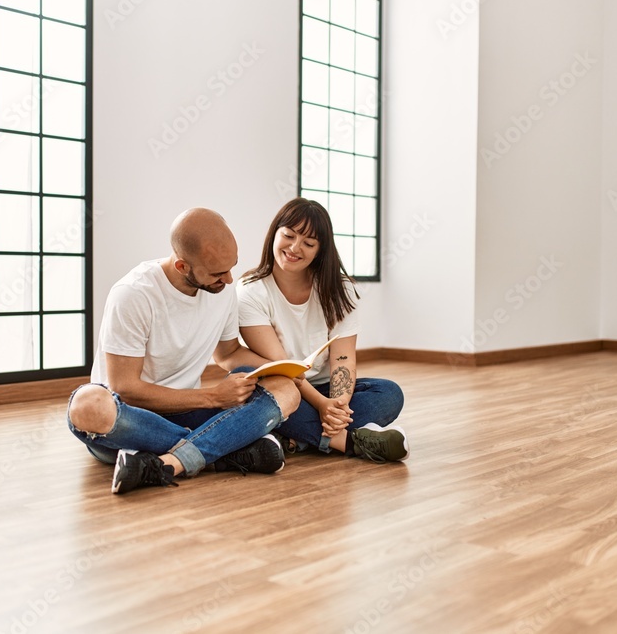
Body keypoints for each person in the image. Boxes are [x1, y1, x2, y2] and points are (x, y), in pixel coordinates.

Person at [67, 208, 301, 494]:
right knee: (87, 405)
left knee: (286, 389)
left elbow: (228, 354)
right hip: (132, 421)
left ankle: (167, 463)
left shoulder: (221, 289)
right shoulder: (133, 294)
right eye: (217, 273)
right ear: (182, 267)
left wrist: (282, 366)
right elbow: (125, 388)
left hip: (186, 411)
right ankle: (225, 448)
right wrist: (212, 397)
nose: (228, 280)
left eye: (232, 267)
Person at [238, 198, 407, 462]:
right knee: (252, 390)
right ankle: (348, 442)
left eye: (308, 243)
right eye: (289, 235)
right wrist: (321, 406)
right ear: (274, 233)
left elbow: (343, 358)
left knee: (389, 394)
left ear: (320, 249)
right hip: (284, 385)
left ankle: (297, 439)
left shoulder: (340, 289)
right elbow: (283, 365)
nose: (295, 248)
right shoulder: (250, 290)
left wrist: (336, 406)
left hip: (325, 388)